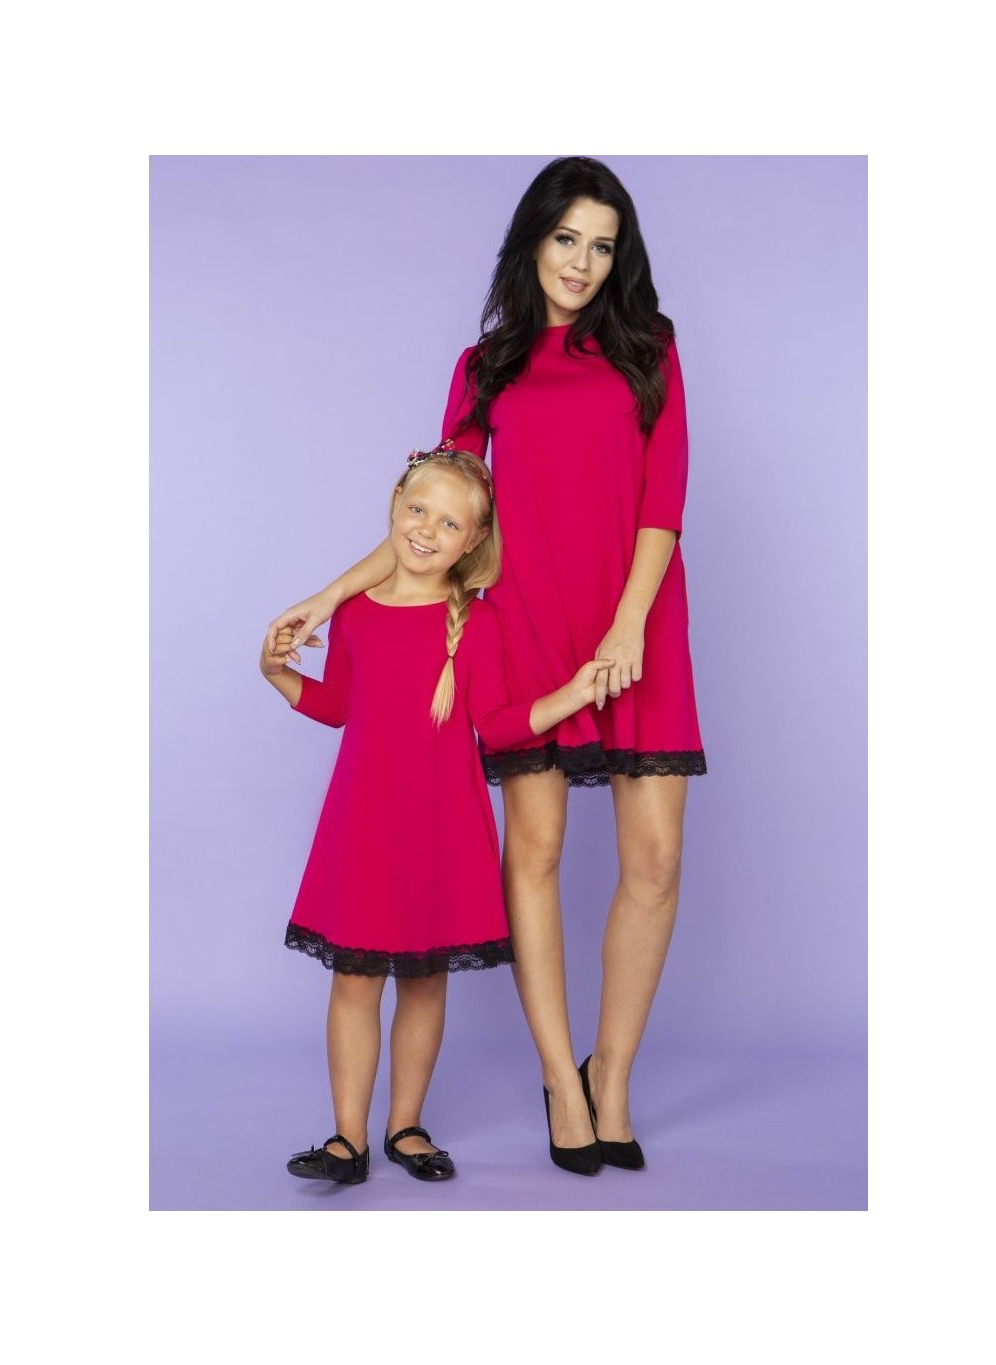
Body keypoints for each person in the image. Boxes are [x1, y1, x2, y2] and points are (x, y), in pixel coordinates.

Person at [266, 156, 705, 1175]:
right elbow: (441, 511)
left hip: (637, 623)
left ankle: (612, 1076)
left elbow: (663, 498)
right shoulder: (486, 365)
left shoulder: (650, 347)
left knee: (654, 861)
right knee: (535, 853)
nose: (581, 263)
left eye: (602, 246)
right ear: (533, 241)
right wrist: (327, 597)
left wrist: (628, 627)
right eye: (566, 239)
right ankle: (560, 1078)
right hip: (526, 625)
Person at [261, 444, 613, 1185]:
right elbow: (339, 707)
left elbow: (501, 725)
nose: (425, 529)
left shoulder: (476, 624)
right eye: (417, 509)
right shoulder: (355, 615)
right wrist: (278, 674)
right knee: (354, 980)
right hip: (361, 829)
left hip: (441, 834)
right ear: (395, 504)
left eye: (449, 523)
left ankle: (405, 1125)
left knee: (423, 982)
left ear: (473, 540)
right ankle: (347, 1138)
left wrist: (576, 694)